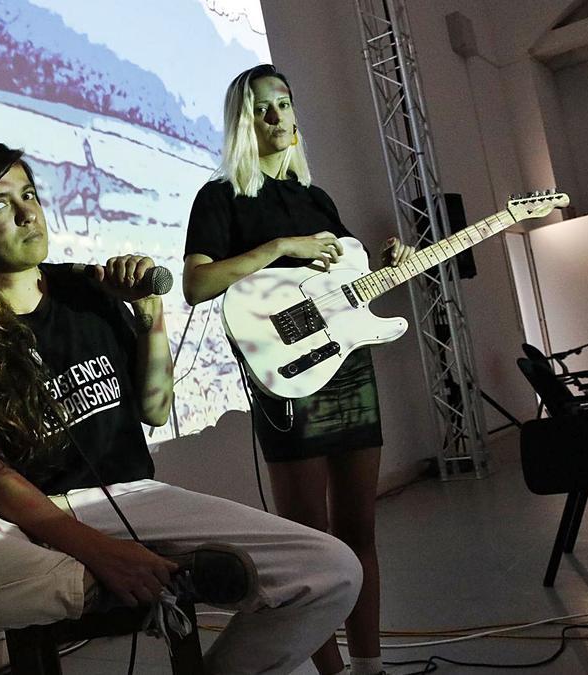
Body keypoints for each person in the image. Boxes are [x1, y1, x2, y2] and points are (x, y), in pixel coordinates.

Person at [0, 141, 362, 674]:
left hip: (132, 498)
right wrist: (101, 555)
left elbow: (154, 407)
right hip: (18, 522)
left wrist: (152, 320)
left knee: (332, 569)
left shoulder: (87, 290)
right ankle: (104, 584)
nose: (29, 212)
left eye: (28, 194)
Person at [183, 64, 413, 675]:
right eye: (262, 108)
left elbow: (345, 286)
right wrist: (282, 248)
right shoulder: (220, 197)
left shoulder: (316, 198)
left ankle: (371, 667)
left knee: (361, 529)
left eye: (284, 103)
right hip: (284, 382)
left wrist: (391, 260)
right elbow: (198, 282)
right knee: (313, 546)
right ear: (242, 120)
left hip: (349, 373)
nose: (278, 117)